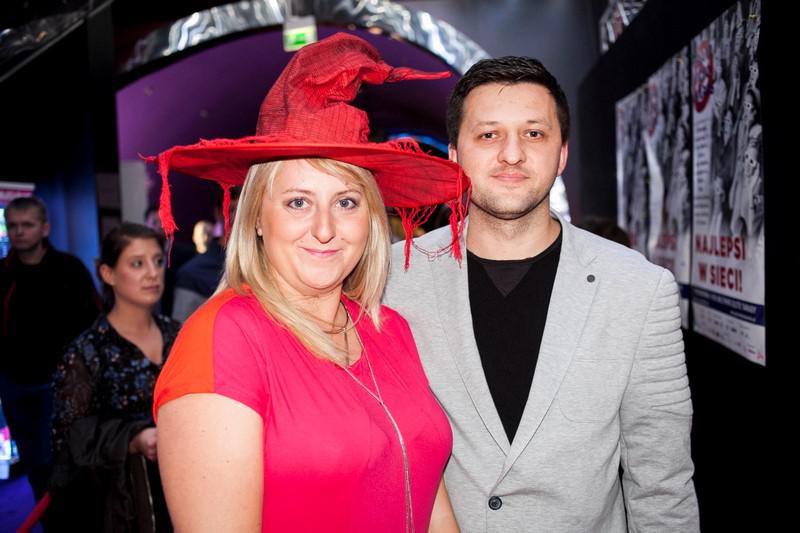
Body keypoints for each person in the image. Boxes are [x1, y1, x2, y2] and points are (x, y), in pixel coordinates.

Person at [151, 33, 470, 532]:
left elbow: (431, 505)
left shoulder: (390, 330)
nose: (325, 228)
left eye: (346, 202)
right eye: (298, 202)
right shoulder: (223, 339)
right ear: (257, 218)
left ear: (371, 218)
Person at [385, 56, 699, 531]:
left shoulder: (638, 288)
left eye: (533, 133)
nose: (511, 154)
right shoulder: (392, 278)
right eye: (488, 135)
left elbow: (662, 483)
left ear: (562, 154)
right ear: (454, 154)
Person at [49, 222, 180, 531]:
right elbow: (70, 442)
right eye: (137, 264)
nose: (152, 273)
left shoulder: (179, 334)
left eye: (157, 261)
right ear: (108, 274)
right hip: (120, 505)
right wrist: (132, 439)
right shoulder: (87, 352)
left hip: (185, 486)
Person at [0, 196, 101, 502]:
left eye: (27, 225)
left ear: (44, 228)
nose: (19, 232)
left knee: (64, 461)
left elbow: (93, 319)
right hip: (16, 383)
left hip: (62, 383)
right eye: (13, 226)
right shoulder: (3, 274)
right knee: (35, 463)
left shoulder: (68, 269)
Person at [170, 187, 241, 322]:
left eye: (245, 210)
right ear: (218, 213)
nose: (239, 218)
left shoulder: (268, 265)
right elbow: (181, 328)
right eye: (233, 210)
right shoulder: (193, 274)